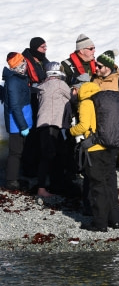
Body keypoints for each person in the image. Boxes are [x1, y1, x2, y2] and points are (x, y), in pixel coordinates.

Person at [68, 81, 119, 232]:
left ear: (79, 90)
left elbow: (84, 126)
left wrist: (71, 131)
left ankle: (100, 223)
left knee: (97, 186)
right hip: (109, 146)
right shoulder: (102, 100)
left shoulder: (86, 102)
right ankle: (115, 220)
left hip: (94, 149)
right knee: (110, 183)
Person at [35, 62, 72, 197]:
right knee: (49, 156)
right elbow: (72, 97)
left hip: (44, 124)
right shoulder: (59, 84)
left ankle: (54, 183)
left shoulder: (43, 86)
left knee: (54, 154)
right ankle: (42, 188)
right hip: (52, 123)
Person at [2, 53, 33, 191]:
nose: (26, 65)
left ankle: (16, 177)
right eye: (24, 63)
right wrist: (23, 126)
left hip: (23, 120)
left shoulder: (19, 78)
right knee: (15, 153)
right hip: (17, 123)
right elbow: (15, 106)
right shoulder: (13, 81)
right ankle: (11, 181)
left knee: (19, 151)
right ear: (19, 65)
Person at [21, 37, 50, 177]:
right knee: (31, 136)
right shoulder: (24, 62)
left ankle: (39, 165)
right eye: (42, 47)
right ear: (34, 48)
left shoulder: (44, 61)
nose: (45, 49)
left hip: (42, 101)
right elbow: (22, 83)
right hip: (30, 101)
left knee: (41, 134)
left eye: (45, 47)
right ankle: (28, 168)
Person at [93, 49, 119, 144]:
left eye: (99, 66)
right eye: (96, 65)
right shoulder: (93, 80)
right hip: (95, 132)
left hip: (113, 133)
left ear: (108, 67)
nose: (96, 68)